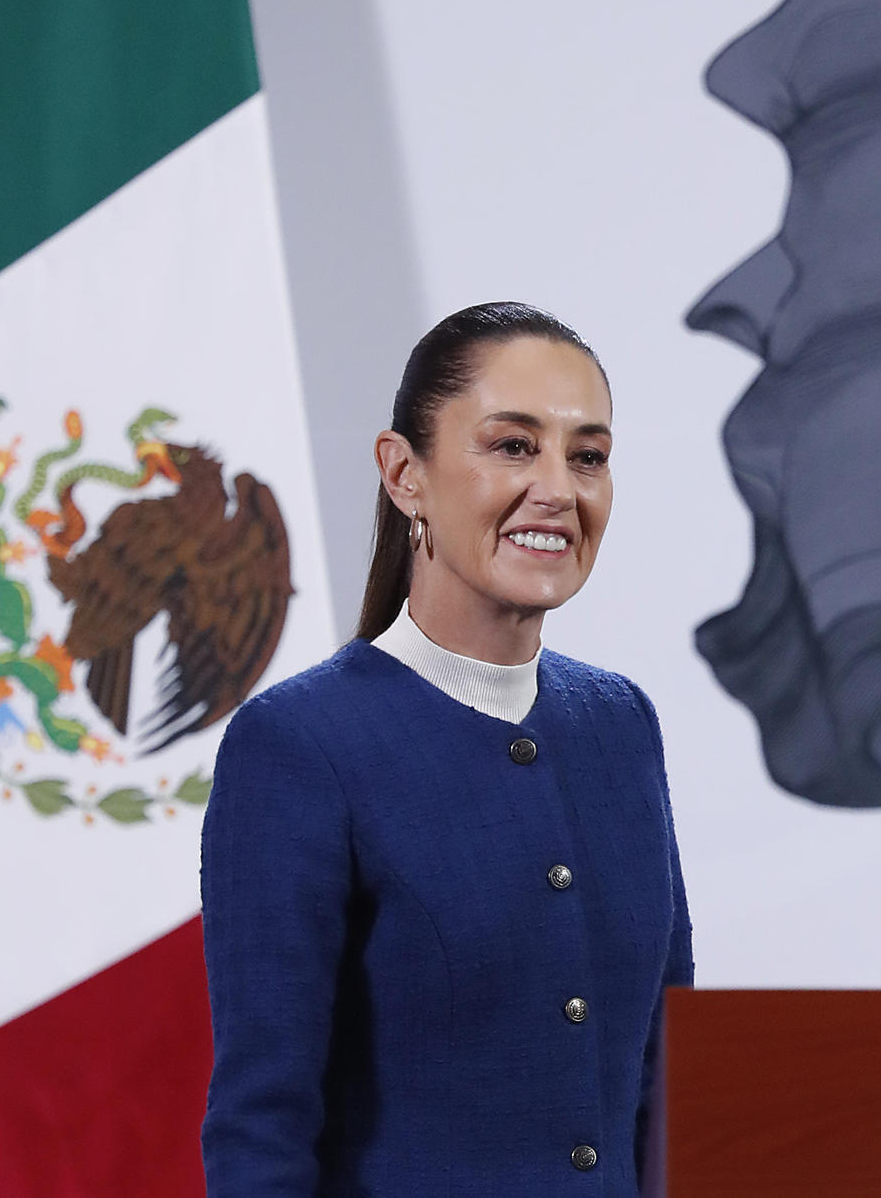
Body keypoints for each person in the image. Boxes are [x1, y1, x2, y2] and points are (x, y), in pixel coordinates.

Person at [200, 302, 692, 1191]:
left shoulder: (623, 724)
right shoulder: (298, 747)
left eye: (588, 457)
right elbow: (261, 1128)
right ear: (404, 474)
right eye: (513, 446)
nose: (557, 488)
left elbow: (674, 1081)